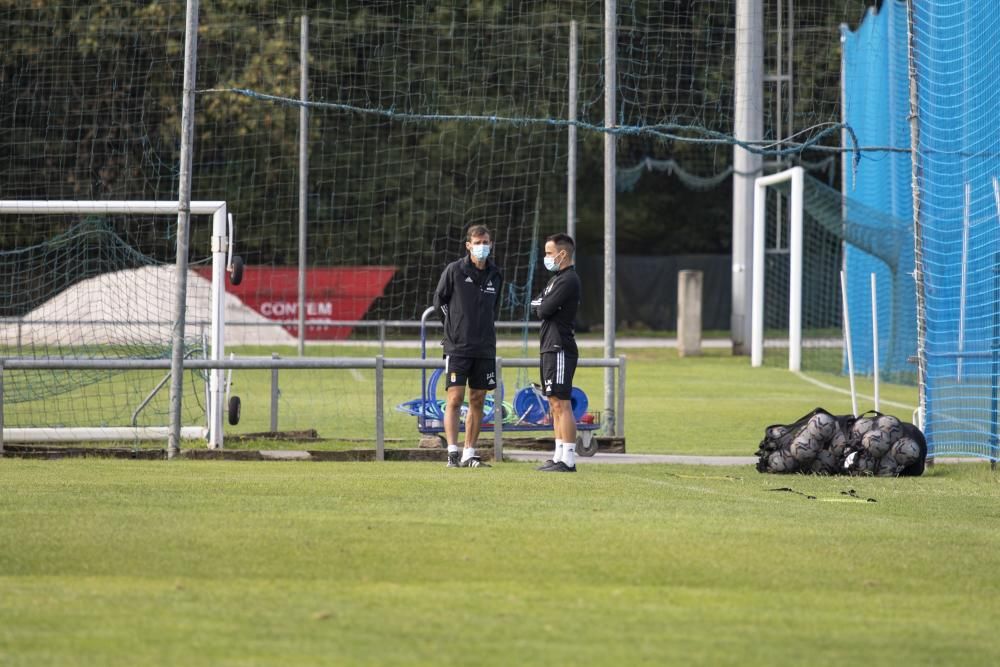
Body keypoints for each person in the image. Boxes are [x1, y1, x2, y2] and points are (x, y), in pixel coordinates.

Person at [433, 224, 503, 468]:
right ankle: (452, 452)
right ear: (468, 245)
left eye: (486, 242)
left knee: (478, 399)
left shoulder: (496, 274)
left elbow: (494, 309)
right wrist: (452, 327)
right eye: (478, 242)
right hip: (458, 348)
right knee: (455, 398)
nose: (482, 246)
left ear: (491, 244)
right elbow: (439, 300)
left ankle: (469, 453)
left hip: (484, 349)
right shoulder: (455, 270)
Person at [531, 233, 582, 473]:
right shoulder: (555, 280)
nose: (546, 257)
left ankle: (569, 460)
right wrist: (543, 304)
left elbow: (544, 309)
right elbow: (536, 304)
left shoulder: (569, 280)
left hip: (559, 346)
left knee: (562, 403)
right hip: (548, 346)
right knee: (553, 402)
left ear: (562, 254)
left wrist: (543, 305)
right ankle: (558, 455)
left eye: (549, 253)